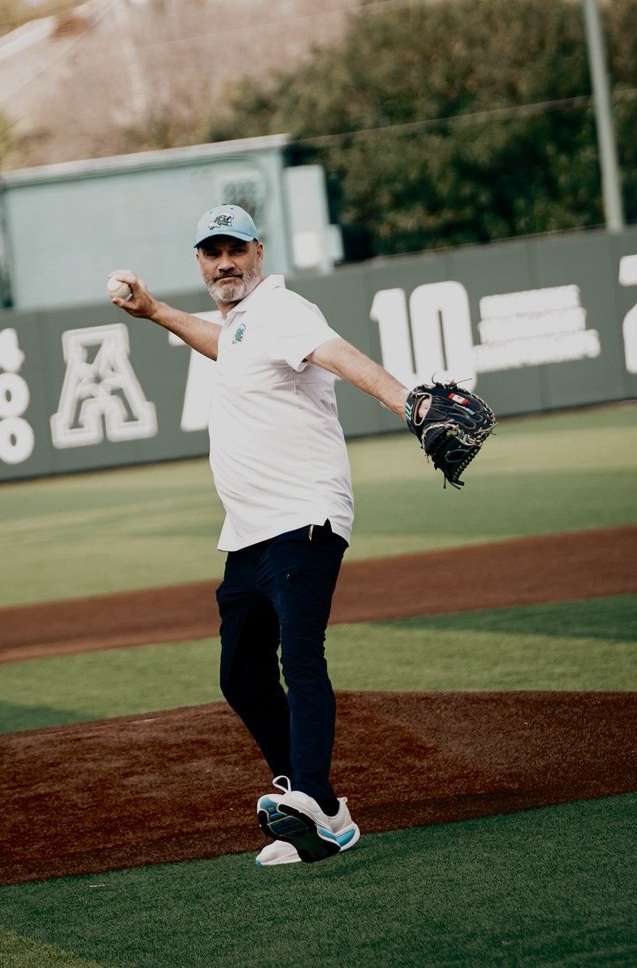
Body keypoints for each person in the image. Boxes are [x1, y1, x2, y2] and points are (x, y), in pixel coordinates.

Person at [109, 203, 410, 867]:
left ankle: (318, 802)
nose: (225, 263)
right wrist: (156, 312)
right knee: (242, 677)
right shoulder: (240, 326)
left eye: (235, 249)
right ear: (200, 260)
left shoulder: (280, 310)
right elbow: (223, 344)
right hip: (247, 537)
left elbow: (342, 357)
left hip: (302, 520)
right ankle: (313, 811)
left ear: (258, 252)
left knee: (300, 657)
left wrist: (409, 403)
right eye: (213, 252)